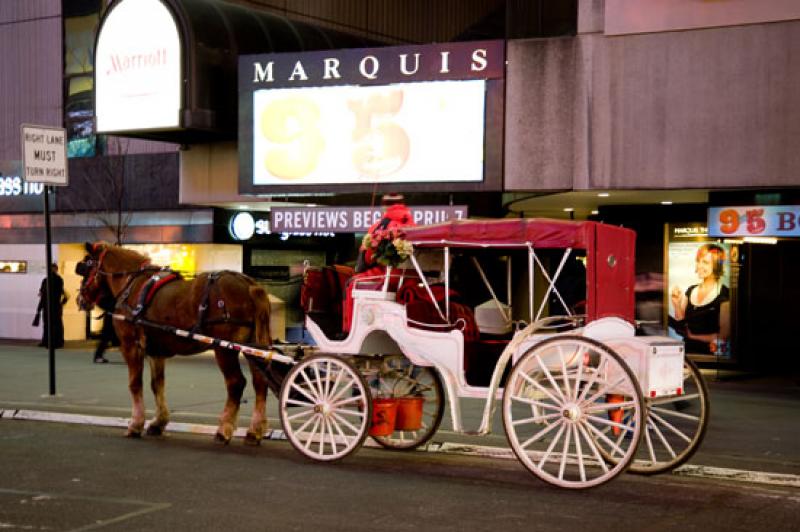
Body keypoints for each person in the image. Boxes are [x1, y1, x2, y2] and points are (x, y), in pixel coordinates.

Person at [670, 243, 730, 355]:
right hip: (686, 354)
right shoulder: (691, 290)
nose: (699, 266)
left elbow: (723, 336)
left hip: (710, 357)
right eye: (698, 261)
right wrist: (676, 304)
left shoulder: (724, 294)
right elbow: (681, 322)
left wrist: (693, 336)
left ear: (716, 266)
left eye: (705, 262)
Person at [33, 263, 69, 349]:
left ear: (56, 270)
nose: (52, 271)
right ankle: (47, 341)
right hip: (49, 305)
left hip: (54, 305)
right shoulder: (47, 280)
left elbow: (57, 292)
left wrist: (61, 304)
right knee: (47, 323)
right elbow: (42, 293)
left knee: (55, 324)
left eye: (53, 269)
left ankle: (57, 342)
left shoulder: (57, 280)